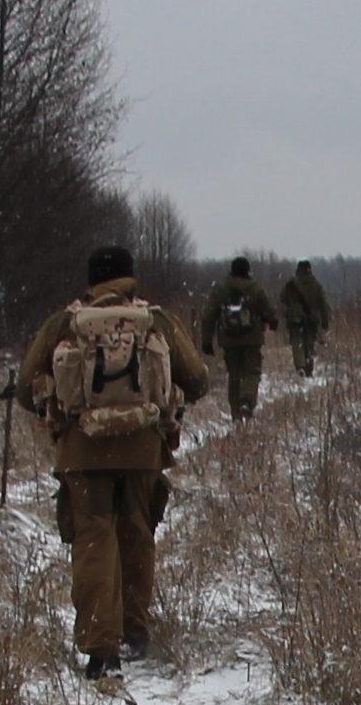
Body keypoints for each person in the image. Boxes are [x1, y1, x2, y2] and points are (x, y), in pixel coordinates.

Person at [18, 244, 214, 677]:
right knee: (137, 535)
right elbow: (198, 380)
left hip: (82, 452)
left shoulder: (64, 323)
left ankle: (101, 649)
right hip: (144, 449)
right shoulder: (156, 321)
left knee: (93, 541)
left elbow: (24, 388)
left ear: (91, 281)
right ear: (130, 278)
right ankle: (135, 632)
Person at [197, 255, 283, 419]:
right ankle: (247, 400)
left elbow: (208, 316)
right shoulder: (255, 289)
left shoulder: (220, 290)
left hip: (229, 340)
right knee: (252, 372)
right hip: (252, 339)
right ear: (248, 271)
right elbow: (270, 311)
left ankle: (236, 415)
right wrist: (272, 323)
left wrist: (206, 341)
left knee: (234, 376)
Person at [280, 259, 331, 378]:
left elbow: (282, 298)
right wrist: (325, 322)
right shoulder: (316, 284)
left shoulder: (292, 283)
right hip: (311, 319)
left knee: (296, 343)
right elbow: (323, 304)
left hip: (295, 318)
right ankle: (308, 370)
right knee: (309, 345)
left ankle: (300, 367)